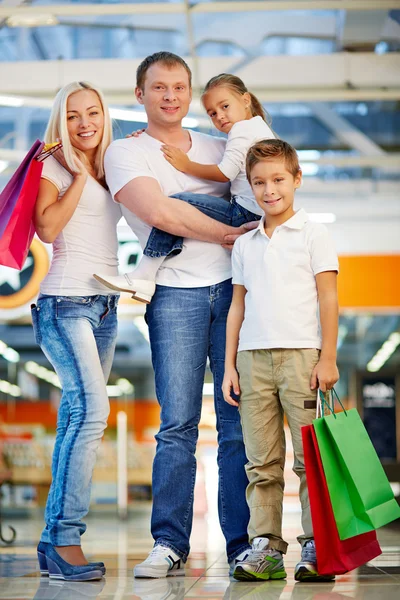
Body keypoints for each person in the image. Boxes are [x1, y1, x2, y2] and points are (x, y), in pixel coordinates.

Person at [103, 52, 254, 578]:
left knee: (237, 427)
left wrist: (205, 210)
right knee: (178, 427)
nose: (171, 96)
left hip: (236, 294)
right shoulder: (125, 152)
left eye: (180, 87)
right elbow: (161, 213)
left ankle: (242, 546)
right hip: (175, 297)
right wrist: (229, 230)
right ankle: (169, 543)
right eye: (159, 87)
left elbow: (262, 197)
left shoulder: (221, 146)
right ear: (140, 93)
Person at [222, 138, 339, 582]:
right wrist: (229, 365)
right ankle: (266, 547)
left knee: (310, 459)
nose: (269, 190)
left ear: (296, 179)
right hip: (252, 361)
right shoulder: (246, 244)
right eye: (259, 182)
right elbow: (238, 306)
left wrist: (327, 357)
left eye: (277, 180)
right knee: (261, 463)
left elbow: (328, 297)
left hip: (301, 359)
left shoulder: (313, 233)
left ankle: (316, 544)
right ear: (249, 186)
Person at [31, 81, 121, 581]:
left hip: (106, 305)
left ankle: (51, 541)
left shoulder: (111, 167)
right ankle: (66, 537)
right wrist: (80, 179)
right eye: (73, 116)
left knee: (75, 416)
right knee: (92, 412)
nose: (85, 123)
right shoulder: (55, 166)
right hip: (64, 302)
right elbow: (46, 228)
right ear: (60, 122)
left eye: (93, 112)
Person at [94, 73, 274, 302]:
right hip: (257, 215)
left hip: (243, 213)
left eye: (225, 106)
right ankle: (144, 275)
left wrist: (187, 165)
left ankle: (145, 273)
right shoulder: (260, 130)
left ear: (246, 100)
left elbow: (224, 173)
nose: (220, 116)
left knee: (176, 203)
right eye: (212, 113)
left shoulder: (241, 131)